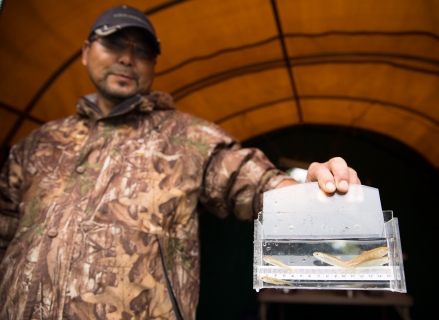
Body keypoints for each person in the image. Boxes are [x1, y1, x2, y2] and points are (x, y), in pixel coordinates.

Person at [0, 5, 360, 320]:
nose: (127, 58)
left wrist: (307, 190)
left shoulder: (190, 138)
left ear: (154, 64)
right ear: (84, 51)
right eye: (112, 43)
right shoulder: (36, 145)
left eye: (142, 50)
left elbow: (253, 179)